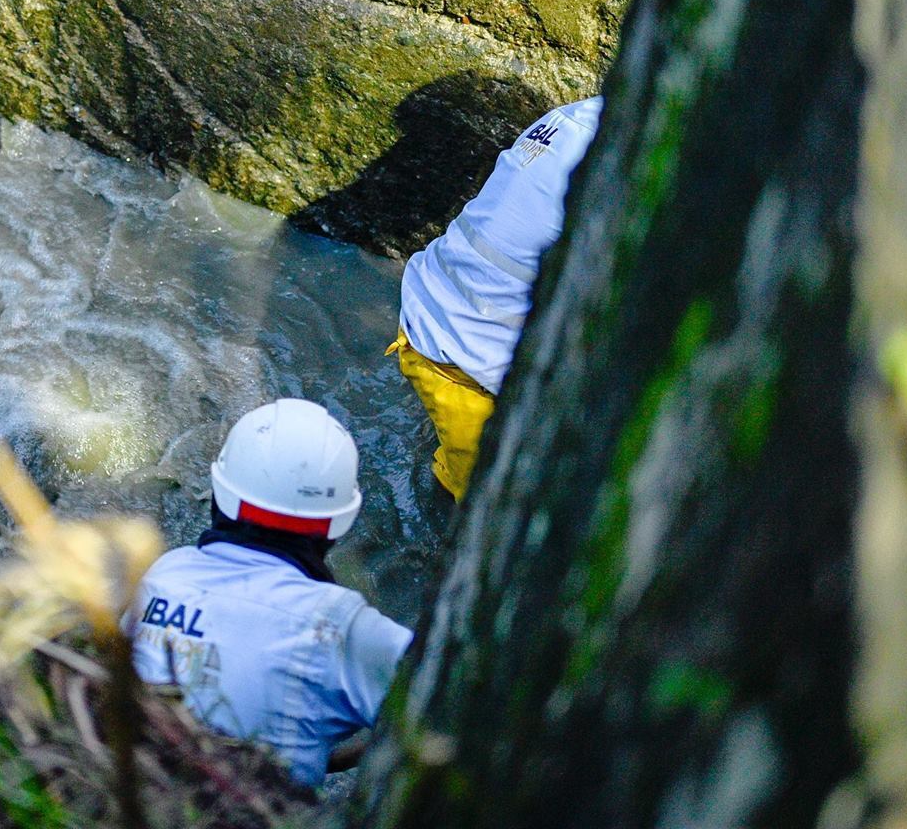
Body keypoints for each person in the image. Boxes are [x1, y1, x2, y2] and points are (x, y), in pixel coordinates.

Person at [124, 399, 413, 788]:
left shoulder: (166, 574)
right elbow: (451, 708)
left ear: (219, 494)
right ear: (337, 525)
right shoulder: (339, 625)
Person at [390, 95, 603, 502]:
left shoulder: (581, 116)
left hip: (436, 312)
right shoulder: (611, 171)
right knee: (484, 503)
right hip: (460, 366)